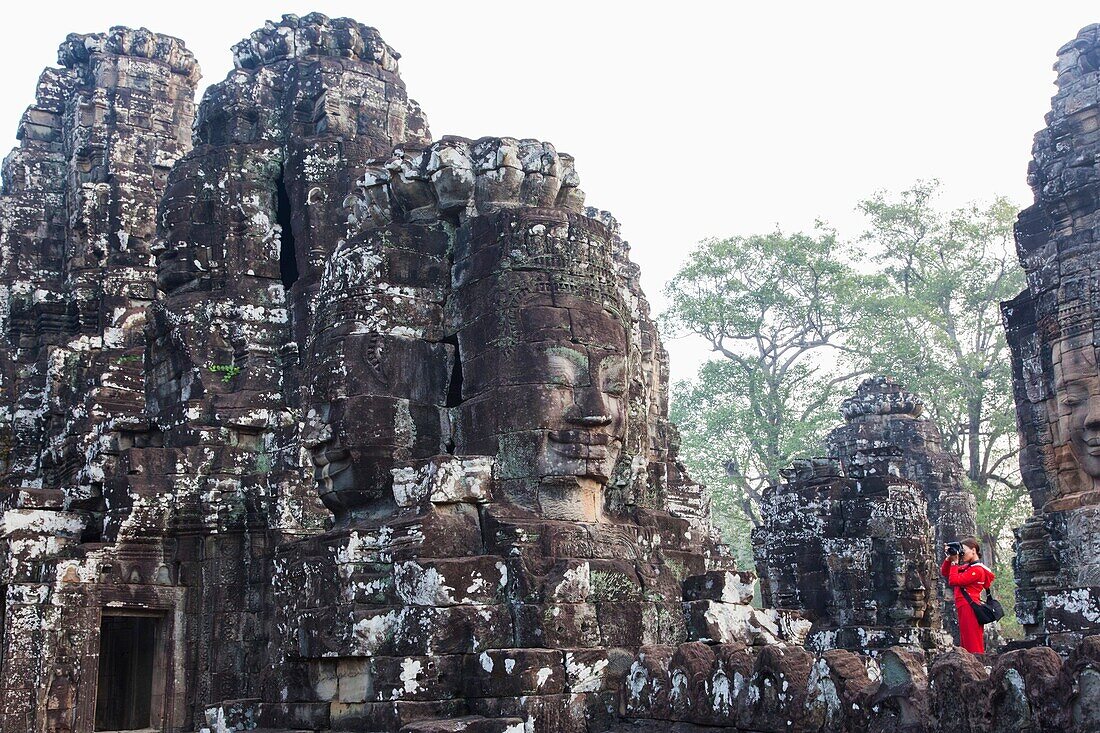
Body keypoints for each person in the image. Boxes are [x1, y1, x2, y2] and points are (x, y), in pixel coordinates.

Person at [940, 537, 995, 653]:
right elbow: (945, 572)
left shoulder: (977, 570)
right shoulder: (968, 567)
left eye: (964, 551)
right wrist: (949, 558)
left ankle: (977, 664)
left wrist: (955, 562)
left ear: (973, 550)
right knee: (965, 639)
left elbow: (953, 581)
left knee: (972, 639)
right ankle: (970, 664)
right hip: (964, 606)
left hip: (970, 606)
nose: (962, 554)